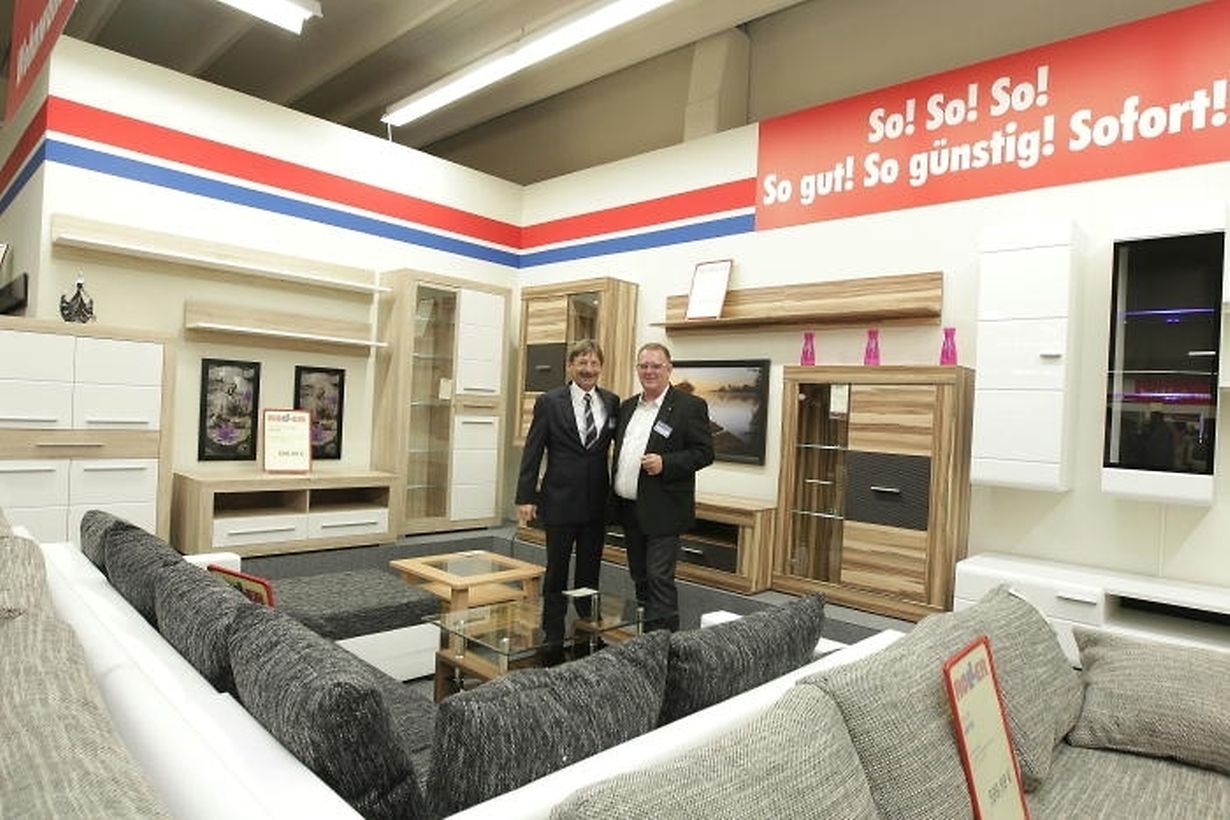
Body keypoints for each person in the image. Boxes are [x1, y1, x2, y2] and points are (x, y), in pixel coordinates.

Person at [515, 339, 620, 648]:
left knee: (590, 570)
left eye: (594, 363)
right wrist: (525, 496)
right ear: (570, 366)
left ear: (601, 367)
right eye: (582, 362)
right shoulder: (549, 402)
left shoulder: (612, 402)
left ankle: (588, 631)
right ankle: (552, 634)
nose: (588, 369)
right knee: (557, 571)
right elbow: (533, 451)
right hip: (559, 500)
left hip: (596, 502)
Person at [611, 342, 714, 631]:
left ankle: (667, 646)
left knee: (659, 578)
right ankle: (648, 640)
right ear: (637, 369)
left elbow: (704, 453)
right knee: (640, 578)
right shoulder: (627, 407)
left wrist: (666, 463)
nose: (649, 371)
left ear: (669, 369)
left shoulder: (689, 407)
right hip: (629, 509)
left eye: (656, 366)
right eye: (644, 366)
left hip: (664, 510)